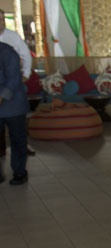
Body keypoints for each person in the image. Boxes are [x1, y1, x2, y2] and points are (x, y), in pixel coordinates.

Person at [0, 9, 34, 158]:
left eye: (2, 19)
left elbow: (26, 55)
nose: (0, 23)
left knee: (17, 135)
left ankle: (19, 171)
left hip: (12, 94)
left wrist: (26, 74)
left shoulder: (11, 37)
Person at [0, 41, 29, 185]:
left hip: (13, 106)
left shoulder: (7, 52)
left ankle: (19, 173)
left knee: (17, 140)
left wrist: (2, 97)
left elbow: (13, 79)